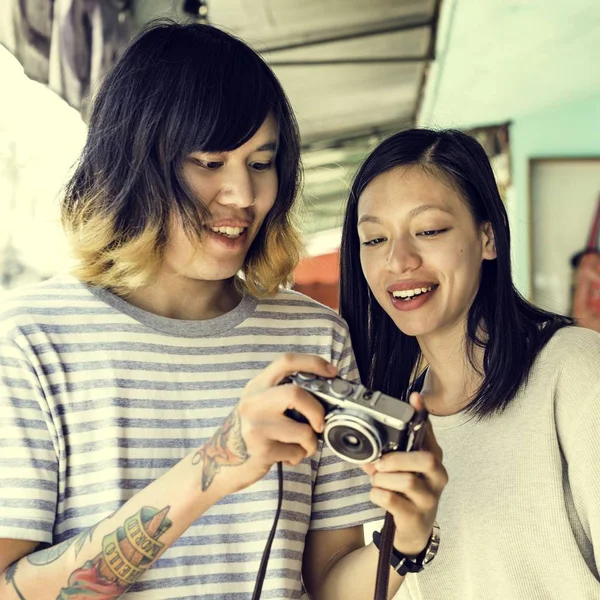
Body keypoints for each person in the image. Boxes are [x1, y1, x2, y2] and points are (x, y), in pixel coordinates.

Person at [0, 21, 447, 600]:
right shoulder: (32, 341)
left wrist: (407, 538)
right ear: (133, 163)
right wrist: (215, 467)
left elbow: (331, 586)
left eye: (261, 163)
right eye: (210, 162)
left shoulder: (314, 335)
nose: (244, 195)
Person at [339, 128, 600, 600]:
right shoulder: (391, 419)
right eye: (374, 239)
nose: (398, 260)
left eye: (430, 230)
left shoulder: (576, 371)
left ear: (488, 238)